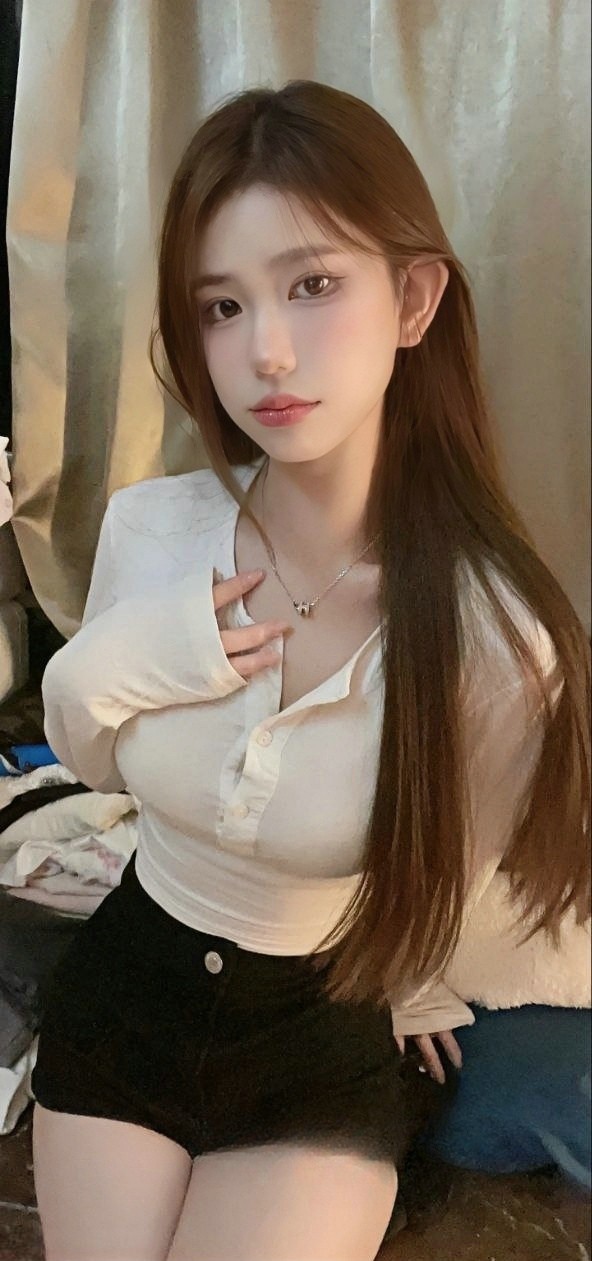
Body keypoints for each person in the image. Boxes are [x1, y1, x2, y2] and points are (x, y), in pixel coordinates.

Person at [30, 79, 590, 1261]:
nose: (266, 350)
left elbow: (463, 857)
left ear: (413, 299)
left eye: (313, 285)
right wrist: (124, 657)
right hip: (128, 992)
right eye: (222, 306)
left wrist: (420, 980)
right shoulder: (152, 532)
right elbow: (90, 751)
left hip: (314, 1039)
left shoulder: (497, 637)